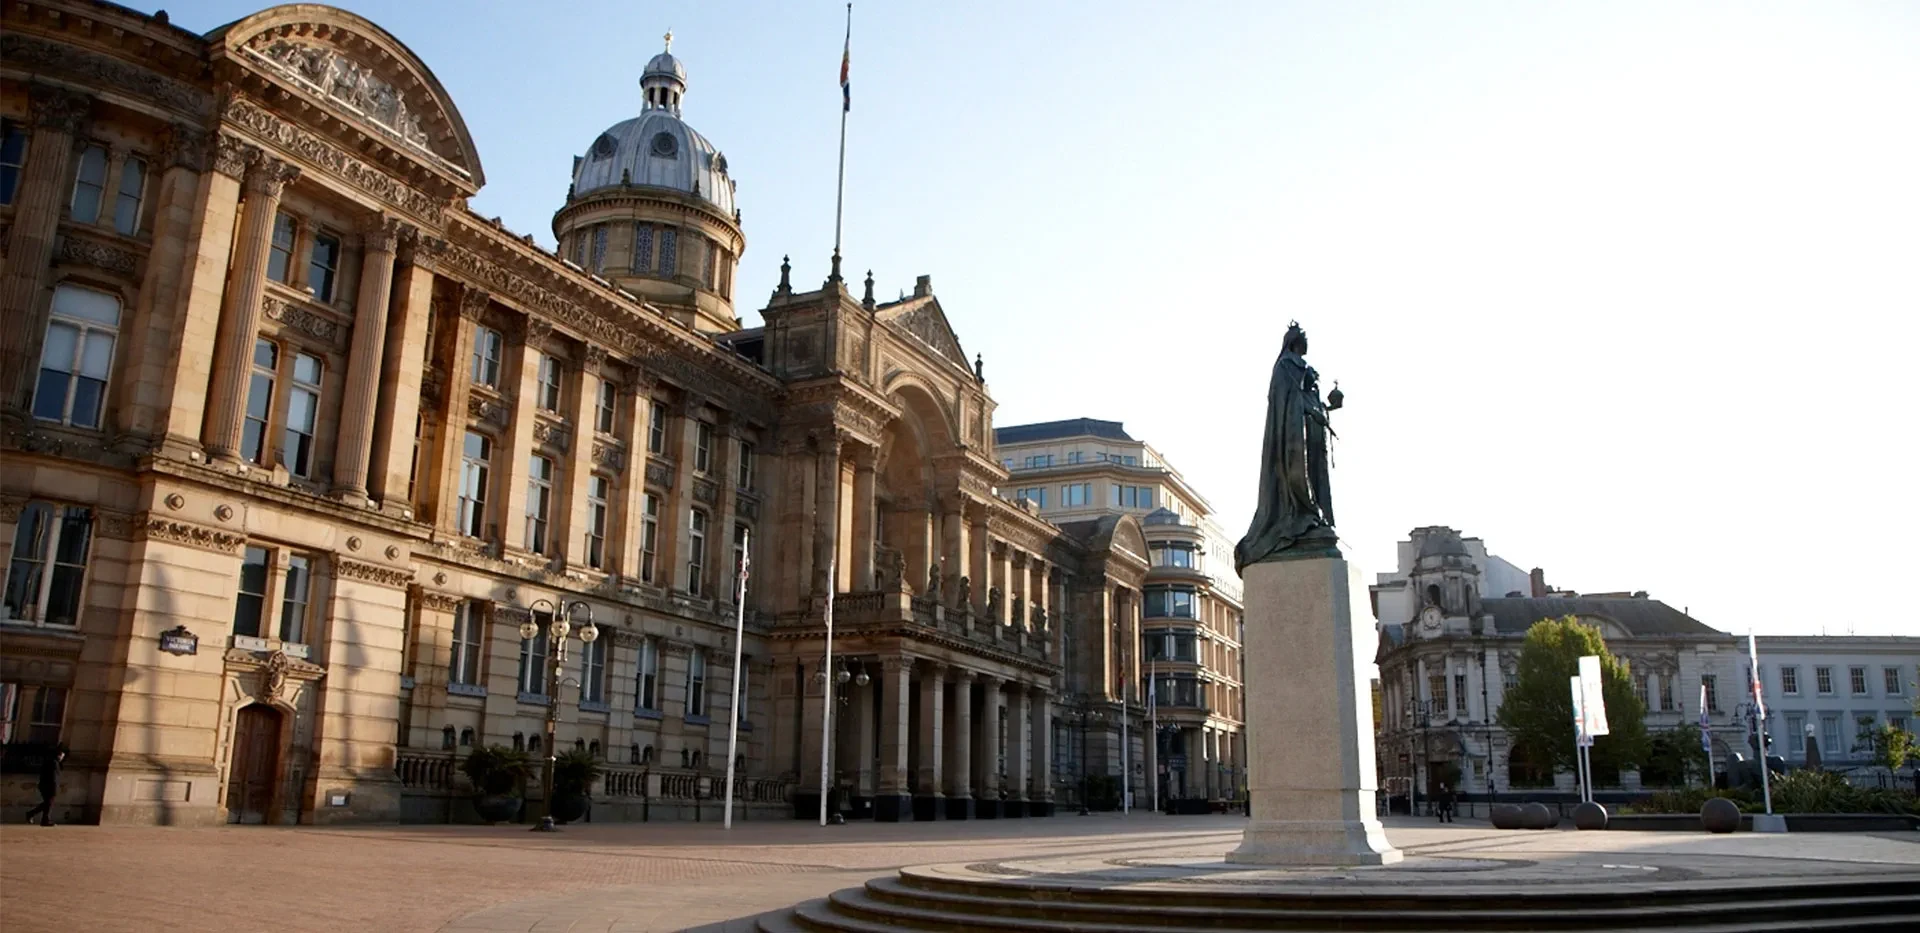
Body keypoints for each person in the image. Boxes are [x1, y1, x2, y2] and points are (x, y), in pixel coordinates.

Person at [25, 745, 65, 826]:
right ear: (59, 755)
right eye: (62, 756)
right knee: (48, 803)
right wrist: (54, 787)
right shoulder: (54, 763)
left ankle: (35, 815)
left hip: (45, 785)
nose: (62, 758)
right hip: (49, 786)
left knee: (47, 803)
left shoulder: (51, 762)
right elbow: (53, 777)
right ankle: (43, 819)